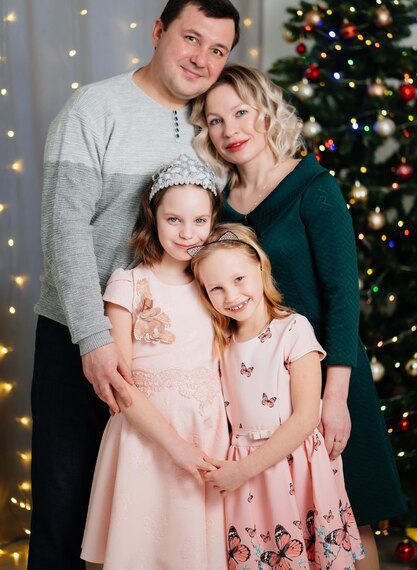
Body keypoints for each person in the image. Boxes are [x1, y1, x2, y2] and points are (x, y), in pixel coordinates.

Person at [30, 0, 239, 570]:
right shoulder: (94, 108)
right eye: (191, 38)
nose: (202, 59)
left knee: (152, 513)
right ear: (158, 31)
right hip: (85, 335)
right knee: (65, 500)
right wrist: (92, 339)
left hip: (173, 351)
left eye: (218, 50)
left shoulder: (213, 126)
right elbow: (64, 228)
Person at [190, 64, 405, 570]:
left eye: (241, 112)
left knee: (350, 520)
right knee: (280, 521)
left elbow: (341, 296)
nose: (231, 130)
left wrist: (335, 398)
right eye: (215, 121)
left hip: (329, 377)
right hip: (258, 390)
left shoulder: (314, 186)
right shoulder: (218, 208)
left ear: (266, 112)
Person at [81, 154, 229, 569]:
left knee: (193, 548)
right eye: (174, 220)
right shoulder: (128, 283)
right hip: (146, 437)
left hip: (207, 433)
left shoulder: (214, 286)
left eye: (200, 221)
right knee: (142, 548)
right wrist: (175, 447)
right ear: (153, 217)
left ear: (214, 220)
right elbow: (120, 383)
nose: (187, 233)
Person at [189, 223, 365, 569]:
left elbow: (304, 419)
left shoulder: (293, 329)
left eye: (238, 279)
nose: (232, 296)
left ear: (259, 267)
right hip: (247, 475)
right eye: (216, 289)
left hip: (295, 464)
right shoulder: (221, 344)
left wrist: (242, 471)